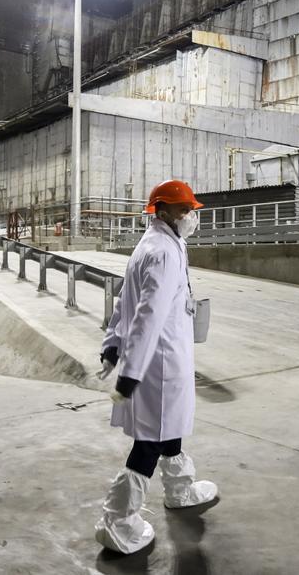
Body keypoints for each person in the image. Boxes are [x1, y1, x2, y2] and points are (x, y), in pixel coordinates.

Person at [93, 179, 218, 554]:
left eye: (191, 210)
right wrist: (129, 374)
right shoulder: (162, 252)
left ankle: (180, 489)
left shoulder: (157, 244)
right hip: (158, 365)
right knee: (148, 444)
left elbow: (123, 304)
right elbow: (145, 317)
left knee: (170, 429)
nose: (191, 216)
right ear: (162, 211)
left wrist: (112, 347)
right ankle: (118, 522)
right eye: (184, 210)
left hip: (160, 360)